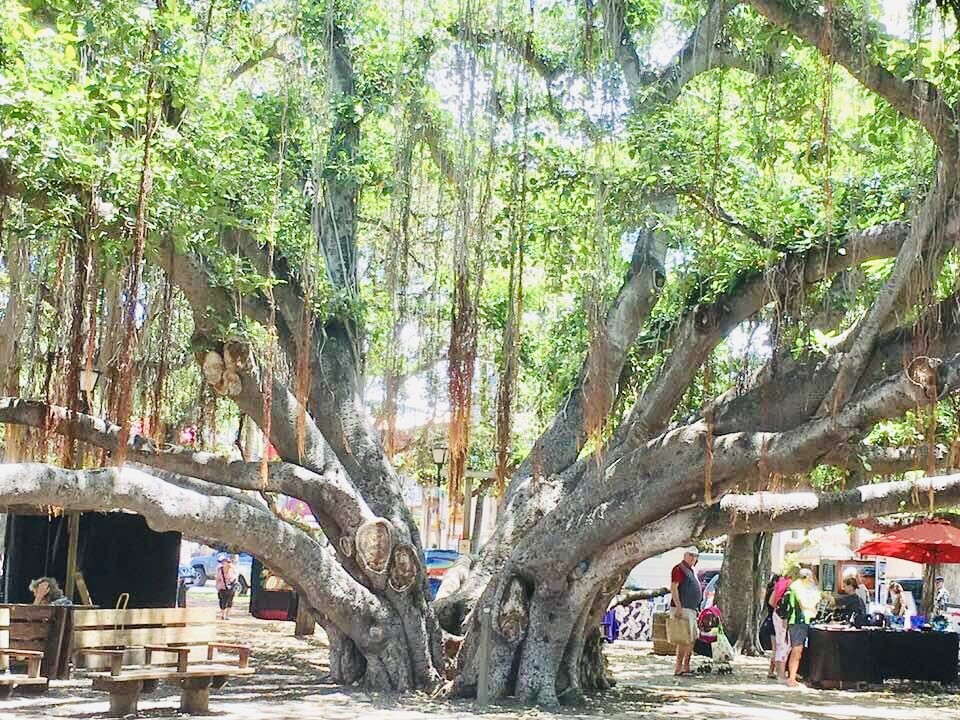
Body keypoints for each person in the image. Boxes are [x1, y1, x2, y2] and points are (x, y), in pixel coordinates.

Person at [783, 568, 820, 688]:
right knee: (796, 649)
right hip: (798, 621)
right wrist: (812, 609)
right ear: (807, 577)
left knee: (797, 650)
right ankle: (791, 678)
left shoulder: (798, 586)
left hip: (801, 620)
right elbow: (802, 604)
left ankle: (793, 676)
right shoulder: (798, 587)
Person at [669, 547, 702, 677]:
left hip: (691, 608)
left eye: (695, 556)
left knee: (691, 638)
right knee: (683, 639)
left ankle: (686, 665)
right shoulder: (679, 569)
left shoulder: (690, 571)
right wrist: (678, 606)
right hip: (683, 608)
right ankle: (678, 667)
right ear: (685, 555)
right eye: (690, 555)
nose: (693, 558)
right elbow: (674, 587)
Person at [762, 575, 780, 679]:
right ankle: (772, 670)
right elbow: (771, 603)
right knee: (776, 648)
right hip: (773, 622)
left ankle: (773, 670)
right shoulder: (774, 591)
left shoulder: (770, 590)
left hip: (770, 621)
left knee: (776, 648)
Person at [215, 554, 239, 620]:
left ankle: (227, 616)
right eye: (222, 562)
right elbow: (217, 579)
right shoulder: (219, 569)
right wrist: (217, 586)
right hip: (222, 588)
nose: (223, 563)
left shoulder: (232, 568)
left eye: (224, 561)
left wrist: (234, 584)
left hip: (231, 588)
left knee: (230, 601)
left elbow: (236, 577)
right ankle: (222, 615)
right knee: (222, 601)